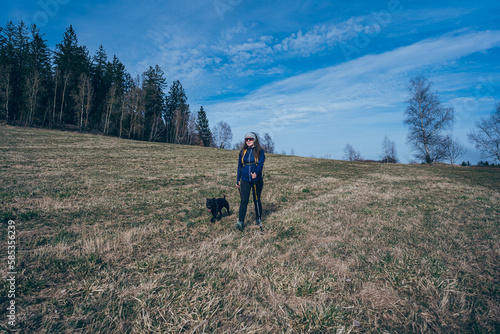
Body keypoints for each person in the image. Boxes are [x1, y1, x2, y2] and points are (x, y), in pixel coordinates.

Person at [236, 132, 265, 231]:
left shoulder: (259, 151)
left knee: (256, 200)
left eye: (250, 139)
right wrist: (238, 179)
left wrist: (256, 173)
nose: (248, 141)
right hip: (245, 179)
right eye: (246, 139)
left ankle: (258, 218)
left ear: (254, 140)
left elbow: (260, 164)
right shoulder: (243, 152)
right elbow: (240, 166)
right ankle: (240, 222)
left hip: (256, 179)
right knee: (244, 200)